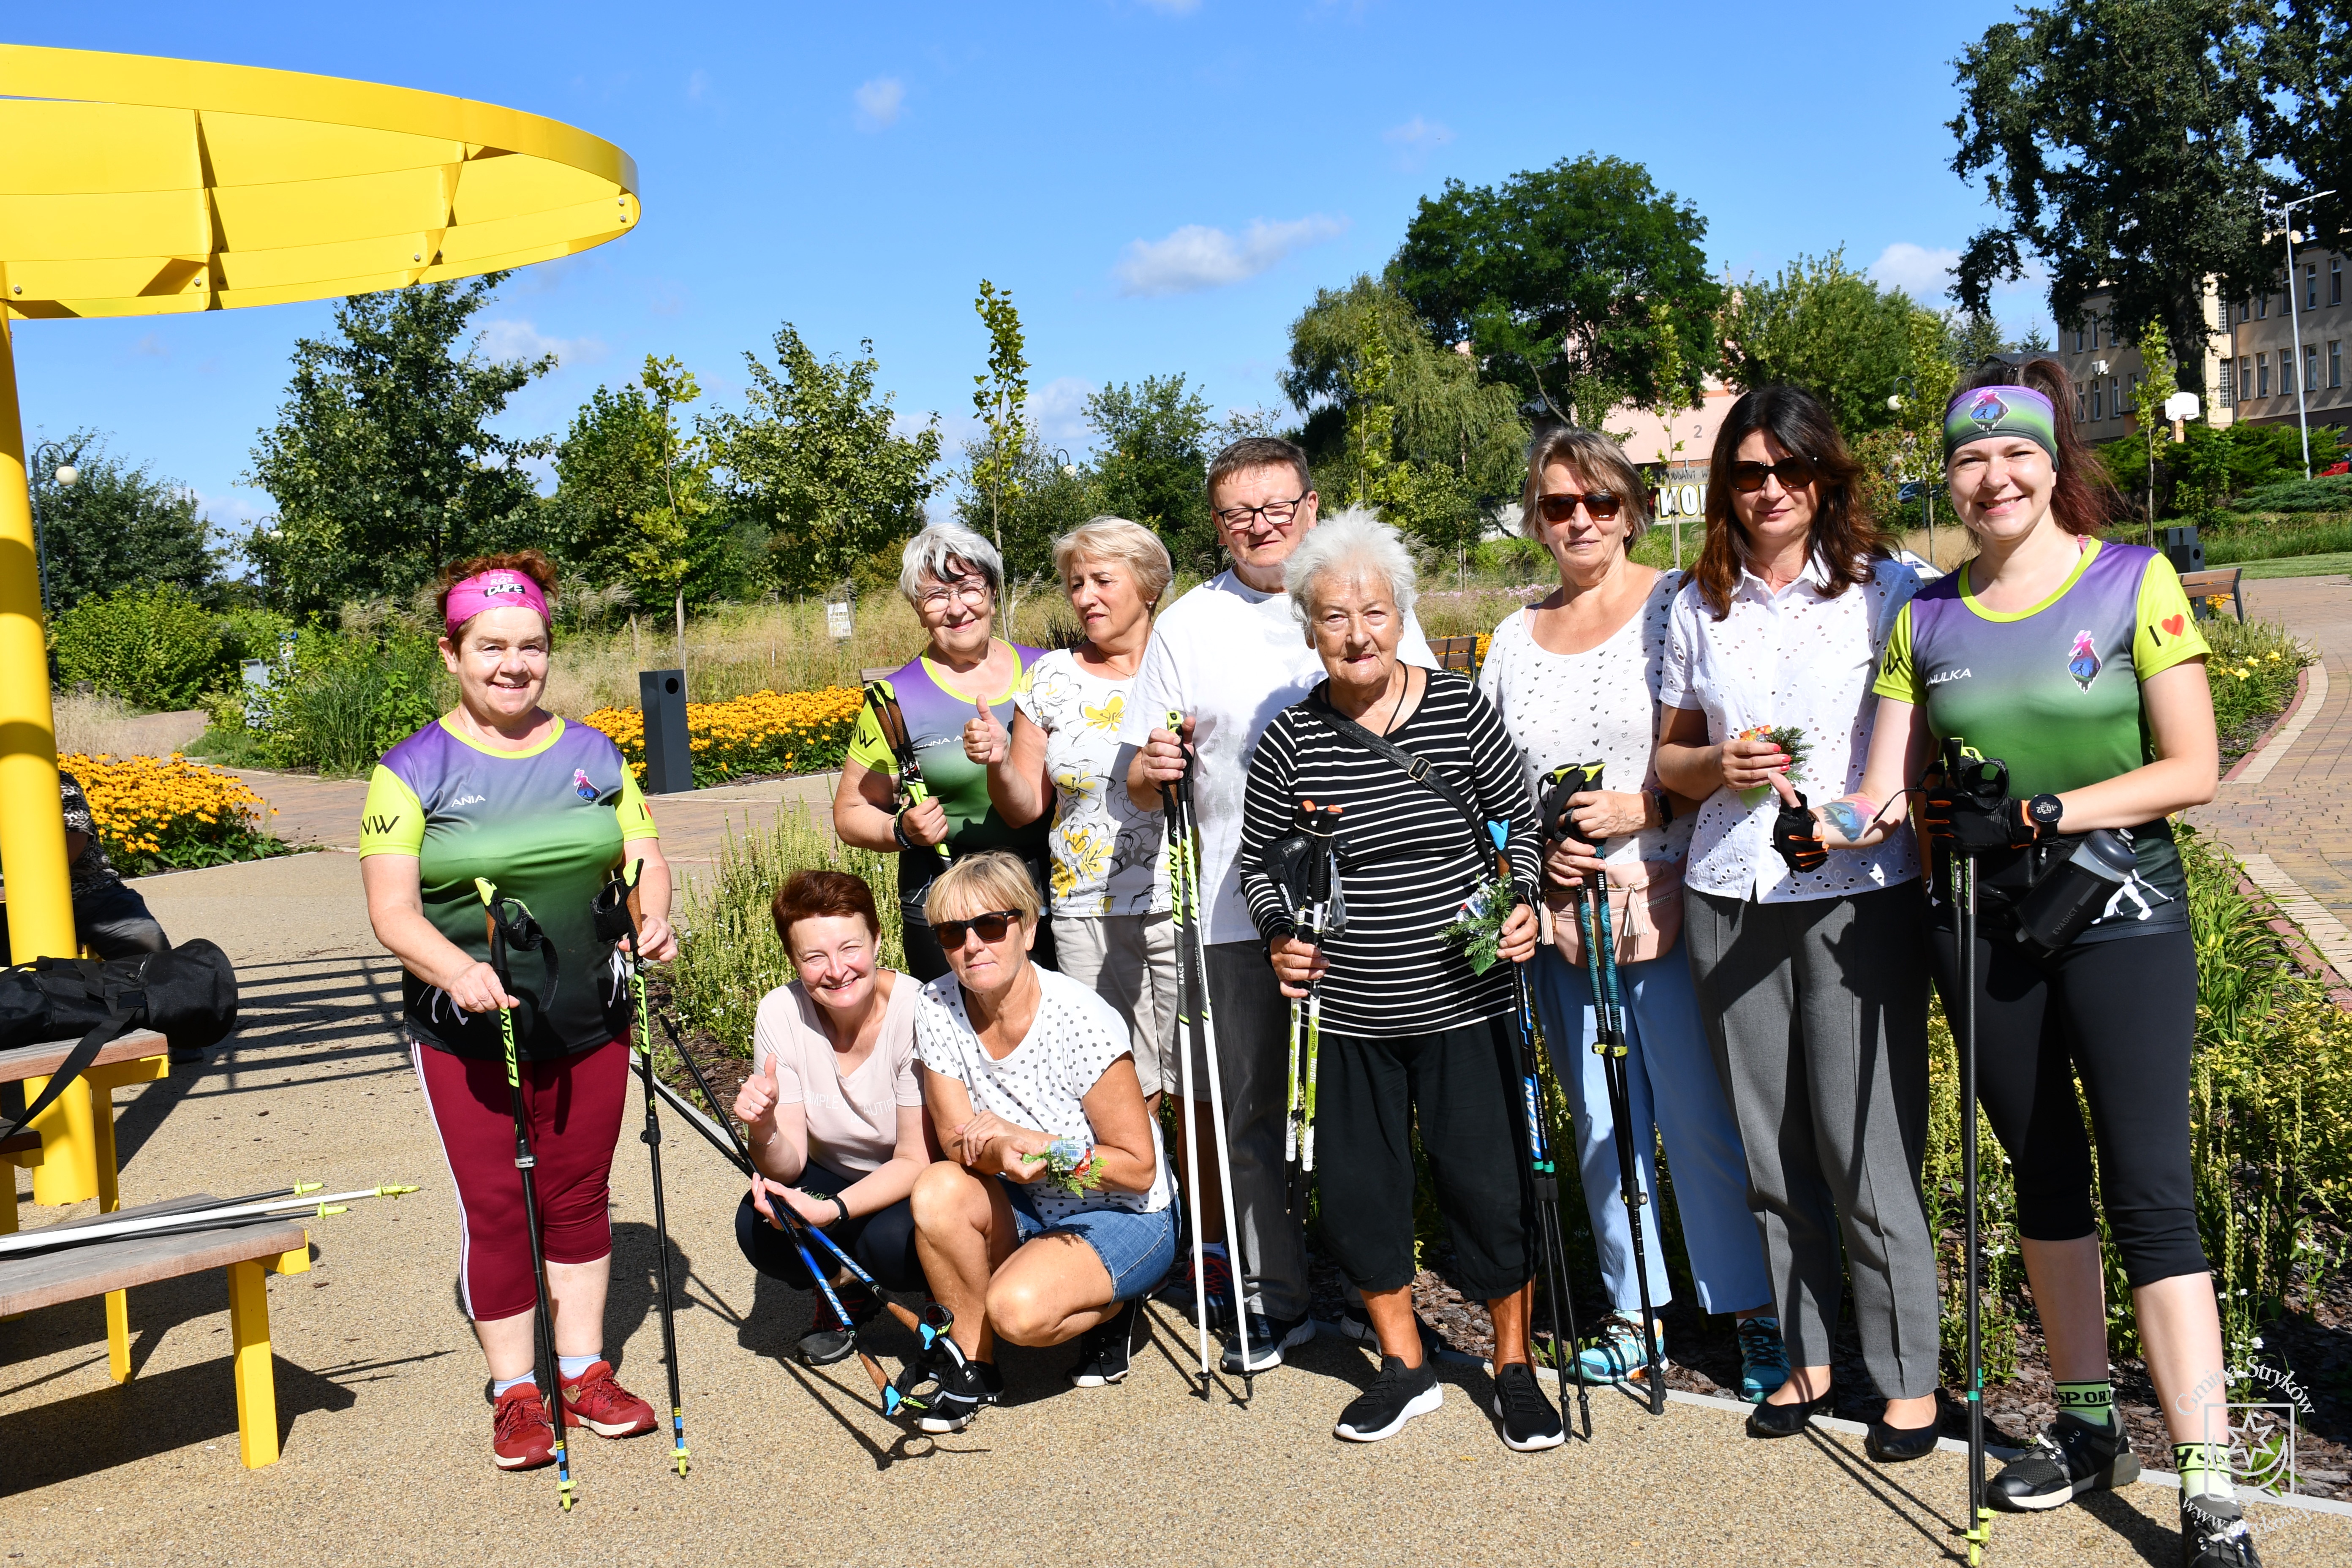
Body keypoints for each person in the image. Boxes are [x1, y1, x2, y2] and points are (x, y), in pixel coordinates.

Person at [1802, 364, 2250, 1566]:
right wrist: (1816, 824)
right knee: (2044, 1180)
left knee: (2151, 1193)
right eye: (1968, 461)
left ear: (2055, 468)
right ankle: (2091, 1424)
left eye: (2016, 459)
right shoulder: (1926, 619)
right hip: (1982, 927)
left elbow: (2192, 768)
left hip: (2121, 912)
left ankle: (2209, 1482)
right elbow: (1884, 792)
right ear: (1947, 478)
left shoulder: (2132, 581)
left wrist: (2050, 809)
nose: (1992, 480)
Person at [1652, 387, 1942, 1461]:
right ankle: (1808, 1356)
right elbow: (1668, 763)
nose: (1768, 489)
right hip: (1732, 891)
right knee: (1770, 1145)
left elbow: (1920, 756)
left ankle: (1908, 1374)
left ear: (1826, 475)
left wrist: (1871, 812)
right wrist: (1712, 766)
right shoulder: (1697, 604)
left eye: (1788, 468)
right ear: (1723, 484)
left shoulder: (1892, 591)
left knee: (1865, 1143)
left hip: (1858, 894)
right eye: (1746, 472)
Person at [1477, 425, 1786, 1401]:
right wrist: (1536, 853)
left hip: (1665, 897)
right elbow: (1495, 787)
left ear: (1630, 507)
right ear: (1535, 516)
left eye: (1598, 502)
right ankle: (1632, 1309)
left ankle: (1753, 1313)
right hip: (1565, 912)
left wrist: (1641, 807)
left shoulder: (1675, 604)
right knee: (1601, 1121)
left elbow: (1713, 743)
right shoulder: (1512, 638)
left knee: (1698, 1117)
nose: (1579, 521)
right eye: (1559, 504)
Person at [1235, 513, 1552, 1449]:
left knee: (1488, 1187)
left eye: (1375, 611)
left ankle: (1514, 1364)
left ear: (1401, 613)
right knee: (1361, 1192)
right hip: (1351, 1012)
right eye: (1335, 616)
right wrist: (1282, 933)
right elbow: (1258, 862)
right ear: (1308, 628)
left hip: (1469, 994)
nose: (1358, 632)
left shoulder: (1457, 709)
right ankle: (1405, 1364)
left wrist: (1523, 896)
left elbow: (1519, 821)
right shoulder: (1292, 739)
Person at [1124, 437, 1440, 1373]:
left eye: (1276, 506)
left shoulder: (1366, 590)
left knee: (1368, 1109)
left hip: (1379, 906)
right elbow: (1144, 779)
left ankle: (1386, 1293)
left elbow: (1420, 709)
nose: (1260, 527)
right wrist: (1152, 771)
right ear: (1217, 525)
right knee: (1248, 1111)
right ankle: (1276, 1296)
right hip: (1235, 904)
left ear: (1309, 505)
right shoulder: (1186, 626)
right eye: (1237, 514)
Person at [359, 550, 677, 1473]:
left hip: (590, 1017)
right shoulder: (410, 769)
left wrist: (651, 918)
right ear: (453, 652)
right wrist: (455, 968)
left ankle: (582, 1370)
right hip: (471, 1030)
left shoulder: (594, 753)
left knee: (579, 1197)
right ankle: (516, 1390)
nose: (514, 664)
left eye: (531, 645)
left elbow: (643, 854)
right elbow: (393, 912)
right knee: (501, 1207)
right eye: (491, 646)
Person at [905, 851, 1176, 1433]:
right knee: (936, 1191)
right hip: (1027, 1195)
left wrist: (1035, 1148)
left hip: (1121, 1211)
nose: (972, 945)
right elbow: (957, 1143)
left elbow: (1136, 1169)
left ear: (1027, 928)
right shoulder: (936, 1003)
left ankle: (1115, 1307)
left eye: (991, 925)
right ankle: (972, 1366)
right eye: (953, 933)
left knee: (1019, 1314)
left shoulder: (1080, 1020)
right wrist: (1009, 1155)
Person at [964, 517, 1176, 1108]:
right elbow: (1025, 806)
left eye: (1102, 581)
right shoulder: (1051, 678)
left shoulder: (1187, 665)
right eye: (1076, 584)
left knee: (1205, 1086)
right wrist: (999, 761)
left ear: (1149, 584)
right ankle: (1147, 1200)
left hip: (1187, 905)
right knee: (1122, 1087)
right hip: (1089, 910)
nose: (1085, 597)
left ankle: (1207, 1202)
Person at [731, 869, 934, 1367]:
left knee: (890, 1245)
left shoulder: (920, 1011)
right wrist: (763, 1128)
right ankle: (846, 1288)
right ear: (793, 960)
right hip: (832, 1173)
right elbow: (787, 1163)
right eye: (814, 956)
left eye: (850, 948)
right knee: (761, 1225)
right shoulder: (780, 1012)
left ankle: (945, 1302)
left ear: (878, 939)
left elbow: (914, 1159)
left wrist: (835, 1210)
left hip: (913, 1180)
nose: (837, 969)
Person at [836, 523, 1054, 982]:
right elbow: (852, 811)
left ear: (993, 593)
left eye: (970, 588)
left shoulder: (1047, 672)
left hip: (1045, 889)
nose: (956, 609)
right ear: (919, 611)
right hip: (942, 892)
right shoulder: (896, 699)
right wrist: (901, 829)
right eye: (935, 596)